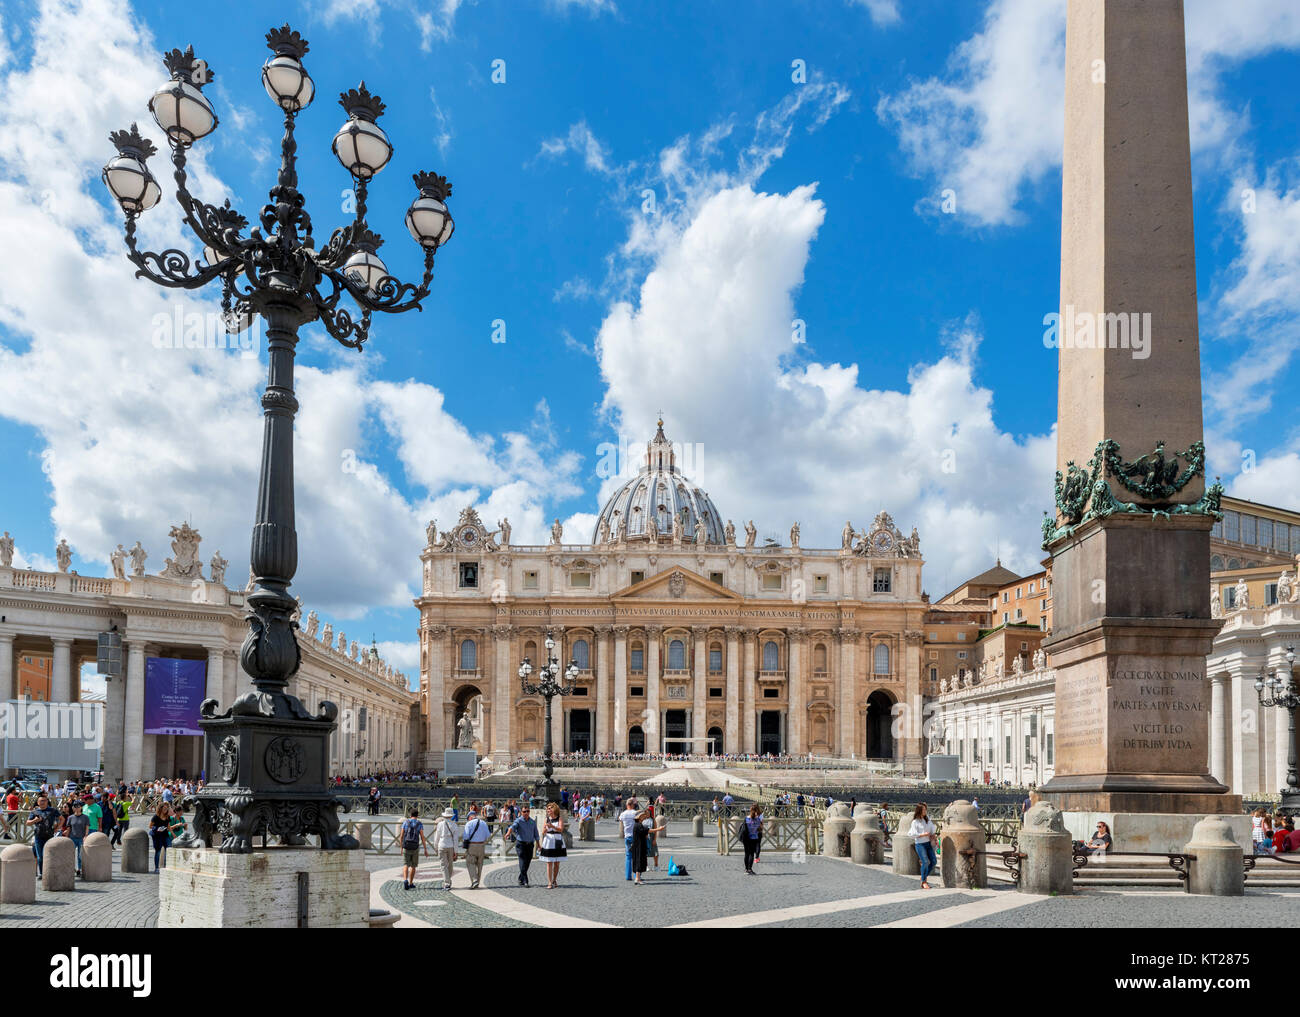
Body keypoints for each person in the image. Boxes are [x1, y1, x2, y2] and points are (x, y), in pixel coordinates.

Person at [26, 792, 62, 878]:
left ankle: (49, 872)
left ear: (47, 802)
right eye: (41, 801)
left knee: (50, 855)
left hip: (50, 836)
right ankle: (42, 873)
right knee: (40, 857)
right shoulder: (34, 812)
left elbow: (62, 818)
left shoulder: (53, 810)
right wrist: (34, 820)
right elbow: (27, 823)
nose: (42, 802)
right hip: (38, 836)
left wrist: (58, 828)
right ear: (38, 802)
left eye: (44, 801)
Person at [505, 803, 539, 887]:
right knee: (522, 860)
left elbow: (536, 834)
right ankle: (525, 880)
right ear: (521, 812)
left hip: (530, 845)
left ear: (529, 812)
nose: (526, 813)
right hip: (521, 844)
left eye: (527, 811)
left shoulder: (532, 822)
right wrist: (508, 833)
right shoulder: (518, 820)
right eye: (524, 811)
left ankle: (520, 877)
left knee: (527, 862)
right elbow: (512, 827)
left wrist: (539, 845)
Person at [630, 809, 665, 885]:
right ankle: (638, 879)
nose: (644, 817)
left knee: (638, 862)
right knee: (639, 862)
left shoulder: (638, 824)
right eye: (642, 816)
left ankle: (637, 878)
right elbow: (647, 831)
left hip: (638, 845)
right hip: (639, 846)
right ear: (639, 817)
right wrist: (659, 829)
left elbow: (644, 832)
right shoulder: (638, 825)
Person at [909, 803, 938, 890]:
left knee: (933, 861)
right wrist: (923, 834)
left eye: (926, 809)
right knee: (925, 862)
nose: (925, 811)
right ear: (919, 811)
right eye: (923, 810)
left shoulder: (928, 819)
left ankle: (923, 876)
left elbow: (932, 829)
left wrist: (933, 835)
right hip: (920, 844)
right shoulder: (915, 822)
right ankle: (924, 882)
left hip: (928, 843)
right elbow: (912, 834)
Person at [462, 806, 491, 889]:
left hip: (472, 845)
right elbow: (488, 835)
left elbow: (466, 836)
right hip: (481, 845)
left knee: (470, 863)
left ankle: (474, 881)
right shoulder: (483, 823)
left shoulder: (469, 824)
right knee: (480, 864)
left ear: (470, 817)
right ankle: (477, 881)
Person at [539, 802, 567, 889]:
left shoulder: (559, 818)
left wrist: (552, 826)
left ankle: (554, 879)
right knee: (549, 862)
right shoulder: (547, 819)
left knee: (557, 863)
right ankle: (549, 882)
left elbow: (561, 829)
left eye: (550, 808)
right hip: (549, 841)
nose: (548, 810)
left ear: (554, 809)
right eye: (547, 809)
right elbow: (543, 832)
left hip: (557, 840)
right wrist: (545, 829)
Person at [399, 806, 428, 890]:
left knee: (405, 864)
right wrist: (425, 849)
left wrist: (401, 847)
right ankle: (411, 883)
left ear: (410, 814)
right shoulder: (419, 824)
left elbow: (401, 836)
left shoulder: (405, 822)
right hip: (415, 847)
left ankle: (405, 880)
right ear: (417, 815)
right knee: (413, 866)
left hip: (406, 846)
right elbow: (422, 837)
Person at [432, 807, 460, 890]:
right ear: (451, 816)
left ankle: (447, 882)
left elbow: (437, 836)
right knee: (450, 864)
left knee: (443, 865)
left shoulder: (440, 824)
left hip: (442, 845)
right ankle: (448, 880)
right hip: (450, 846)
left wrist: (435, 846)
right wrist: (456, 851)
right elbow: (455, 840)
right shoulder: (454, 825)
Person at [65, 800, 90, 877]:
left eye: (78, 806)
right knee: (70, 855)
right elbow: (69, 828)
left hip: (81, 838)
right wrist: (66, 838)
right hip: (72, 838)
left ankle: (79, 869)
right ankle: (71, 868)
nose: (76, 808)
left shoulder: (85, 817)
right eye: (75, 806)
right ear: (72, 808)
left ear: (81, 807)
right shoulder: (70, 817)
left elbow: (87, 827)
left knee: (80, 855)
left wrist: (86, 836)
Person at [619, 797, 640, 881]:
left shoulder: (623, 814)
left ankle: (628, 876)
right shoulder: (635, 813)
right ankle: (636, 876)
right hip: (635, 836)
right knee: (636, 857)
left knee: (628, 857)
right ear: (633, 805)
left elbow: (620, 820)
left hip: (627, 836)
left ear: (627, 805)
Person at [738, 804, 763, 875]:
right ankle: (750, 869)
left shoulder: (746, 819)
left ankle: (746, 869)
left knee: (746, 854)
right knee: (751, 854)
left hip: (746, 839)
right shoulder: (758, 820)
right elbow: (760, 829)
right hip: (754, 838)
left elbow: (743, 829)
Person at [149, 804, 171, 873]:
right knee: (158, 851)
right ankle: (156, 868)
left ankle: (165, 866)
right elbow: (150, 826)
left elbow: (168, 826)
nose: (166, 810)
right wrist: (157, 828)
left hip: (165, 834)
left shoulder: (167, 817)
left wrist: (172, 834)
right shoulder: (156, 817)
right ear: (160, 809)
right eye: (164, 808)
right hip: (157, 835)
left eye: (166, 808)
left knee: (168, 848)